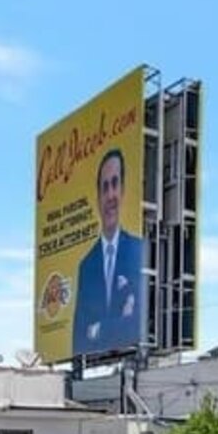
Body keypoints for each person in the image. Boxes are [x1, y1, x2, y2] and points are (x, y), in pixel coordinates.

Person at [72, 148, 146, 356]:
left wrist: (98, 329)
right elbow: (79, 341)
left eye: (115, 184)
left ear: (123, 190)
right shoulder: (86, 266)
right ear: (98, 197)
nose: (110, 195)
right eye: (104, 187)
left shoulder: (140, 251)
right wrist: (120, 324)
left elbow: (139, 324)